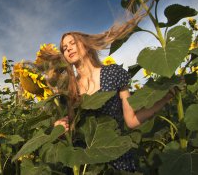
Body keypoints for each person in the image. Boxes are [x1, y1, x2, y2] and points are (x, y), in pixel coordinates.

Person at [38, 11, 176, 172]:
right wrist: (59, 128)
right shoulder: (70, 88)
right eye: (64, 48)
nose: (68, 49)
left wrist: (165, 98)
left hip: (115, 157)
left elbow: (131, 120)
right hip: (86, 166)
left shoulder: (113, 73)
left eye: (72, 43)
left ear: (85, 44)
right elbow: (72, 127)